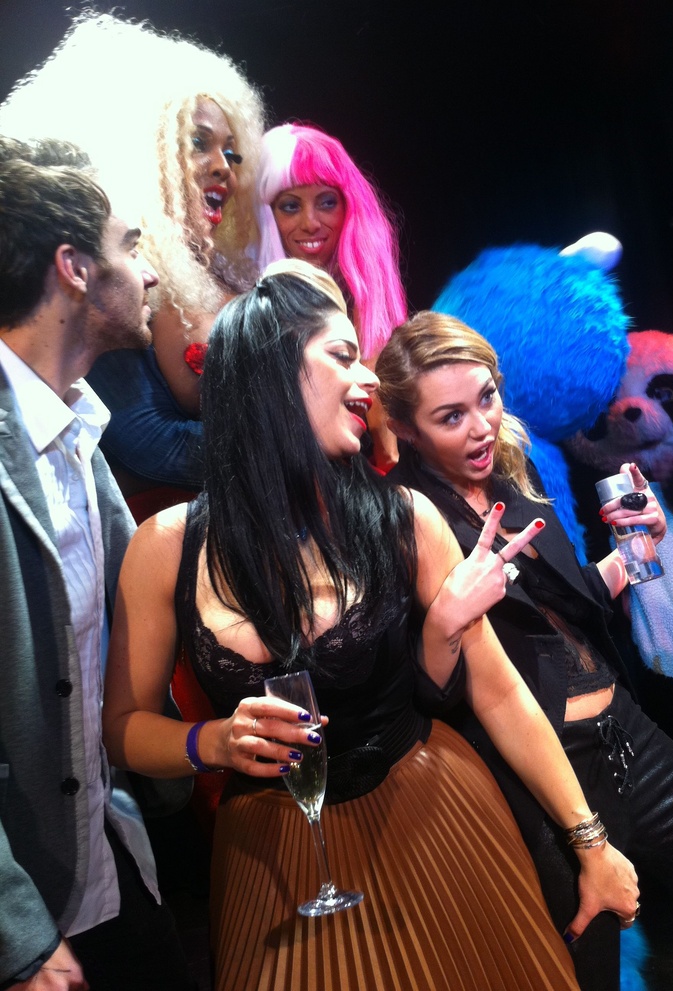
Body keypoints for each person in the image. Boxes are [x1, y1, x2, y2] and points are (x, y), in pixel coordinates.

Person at [102, 258, 639, 991]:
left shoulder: (405, 520)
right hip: (276, 856)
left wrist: (591, 842)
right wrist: (213, 742)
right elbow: (123, 729)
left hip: (433, 819)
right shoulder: (165, 547)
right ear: (271, 373)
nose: (369, 381)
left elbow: (499, 691)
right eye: (344, 355)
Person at [377, 310, 673, 991]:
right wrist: (444, 622)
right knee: (582, 971)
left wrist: (637, 548)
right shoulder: (403, 517)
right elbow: (424, 695)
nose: (482, 426)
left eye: (487, 397)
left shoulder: (510, 480)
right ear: (404, 427)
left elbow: (572, 613)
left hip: (626, 733)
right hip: (544, 777)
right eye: (451, 417)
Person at [0, 142, 194, 989]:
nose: (147, 274)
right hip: (33, 911)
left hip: (108, 861)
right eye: (131, 246)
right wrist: (16, 937)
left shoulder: (77, 430)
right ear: (75, 268)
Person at [0, 11, 265, 508]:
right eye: (198, 144)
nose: (222, 168)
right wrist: (286, 447)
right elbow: (145, 440)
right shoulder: (114, 275)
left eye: (232, 154)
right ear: (147, 153)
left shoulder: (230, 272)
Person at [254, 122, 408, 469]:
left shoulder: (363, 294)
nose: (310, 222)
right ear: (267, 215)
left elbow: (384, 431)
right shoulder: (252, 305)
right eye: (290, 206)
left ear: (348, 207)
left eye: (326, 202)